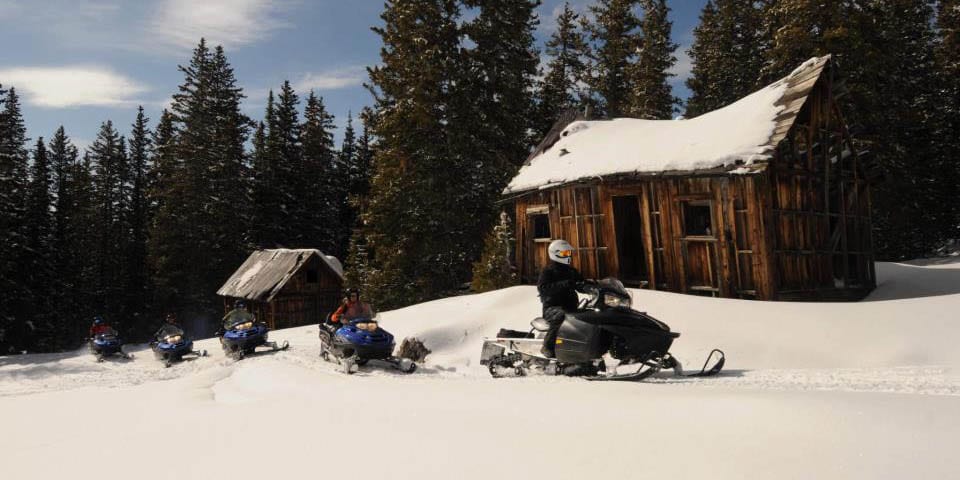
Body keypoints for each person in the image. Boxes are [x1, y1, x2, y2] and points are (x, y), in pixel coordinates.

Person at [537, 239, 585, 358]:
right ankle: (547, 347)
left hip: (571, 307)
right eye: (564, 253)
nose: (567, 256)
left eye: (568, 253)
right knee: (562, 316)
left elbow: (581, 282)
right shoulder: (548, 271)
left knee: (589, 316)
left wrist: (594, 286)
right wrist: (564, 284)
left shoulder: (571, 271)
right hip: (552, 308)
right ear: (555, 253)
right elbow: (543, 288)